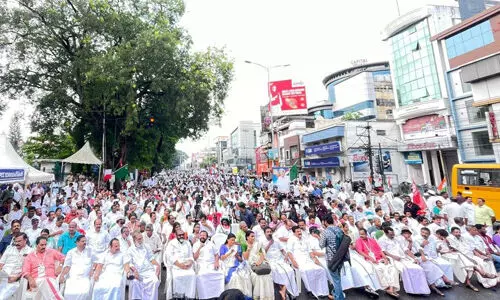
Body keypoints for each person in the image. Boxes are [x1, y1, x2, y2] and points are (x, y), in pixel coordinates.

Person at [378, 227, 431, 295]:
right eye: (390, 234)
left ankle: (421, 290)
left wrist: (414, 258)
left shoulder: (396, 239)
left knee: (418, 268)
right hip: (392, 258)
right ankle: (411, 290)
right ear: (386, 233)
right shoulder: (382, 239)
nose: (392, 235)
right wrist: (393, 256)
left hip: (403, 257)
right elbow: (383, 251)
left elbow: (405, 249)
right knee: (404, 270)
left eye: (393, 233)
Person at [355, 228, 400, 298]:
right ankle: (388, 288)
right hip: (369, 260)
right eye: (360, 234)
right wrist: (371, 258)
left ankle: (391, 288)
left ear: (366, 234)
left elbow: (380, 250)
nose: (361, 236)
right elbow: (360, 252)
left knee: (392, 269)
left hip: (379, 259)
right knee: (380, 269)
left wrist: (385, 258)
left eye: (363, 234)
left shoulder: (372, 240)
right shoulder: (358, 241)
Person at [287, 226, 329, 298]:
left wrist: (314, 259)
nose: (299, 233)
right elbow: (289, 252)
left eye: (300, 231)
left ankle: (322, 291)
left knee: (320, 270)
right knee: (306, 271)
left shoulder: (305, 239)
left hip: (308, 259)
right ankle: (310, 290)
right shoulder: (291, 240)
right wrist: (293, 261)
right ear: (294, 233)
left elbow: (310, 251)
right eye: (297, 231)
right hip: (298, 260)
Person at [261, 226, 299, 298]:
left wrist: (286, 256)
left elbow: (282, 249)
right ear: (264, 233)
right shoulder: (261, 241)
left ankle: (284, 290)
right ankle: (283, 289)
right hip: (270, 260)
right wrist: (269, 244)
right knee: (278, 272)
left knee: (290, 271)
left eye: (270, 232)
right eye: (267, 232)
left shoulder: (276, 240)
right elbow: (263, 253)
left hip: (280, 259)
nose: (269, 233)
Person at [59, 235, 96, 300]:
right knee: (68, 293)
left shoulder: (90, 250)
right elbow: (67, 266)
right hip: (73, 278)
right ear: (77, 242)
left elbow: (96, 262)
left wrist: (92, 270)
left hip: (85, 277)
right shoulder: (71, 252)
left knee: (85, 293)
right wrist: (62, 275)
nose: (85, 242)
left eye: (85, 241)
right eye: (82, 241)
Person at [319, 214, 346, 300]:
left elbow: (321, 245)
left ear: (326, 222)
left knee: (336, 279)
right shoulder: (339, 230)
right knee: (338, 277)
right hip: (340, 257)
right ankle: (337, 294)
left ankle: (339, 298)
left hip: (331, 258)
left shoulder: (325, 232)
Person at [127, 231, 161, 300]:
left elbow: (152, 259)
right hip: (137, 271)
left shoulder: (146, 246)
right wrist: (134, 270)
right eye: (139, 239)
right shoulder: (130, 250)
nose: (141, 240)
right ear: (134, 240)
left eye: (141, 238)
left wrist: (158, 265)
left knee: (154, 281)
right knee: (135, 282)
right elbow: (130, 263)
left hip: (148, 270)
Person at [165, 229, 196, 299]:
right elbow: (169, 256)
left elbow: (191, 255)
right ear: (176, 235)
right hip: (176, 265)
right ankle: (178, 296)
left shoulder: (187, 243)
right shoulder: (171, 243)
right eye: (179, 235)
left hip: (187, 265)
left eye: (183, 235)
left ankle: (189, 296)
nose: (181, 236)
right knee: (177, 277)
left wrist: (190, 263)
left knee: (192, 275)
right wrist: (180, 265)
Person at [193, 230, 225, 299]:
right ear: (199, 236)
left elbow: (216, 255)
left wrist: (216, 262)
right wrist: (200, 247)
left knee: (219, 274)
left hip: (211, 263)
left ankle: (217, 295)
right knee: (202, 275)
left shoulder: (211, 244)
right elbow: (194, 258)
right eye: (201, 235)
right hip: (201, 264)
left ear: (207, 237)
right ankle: (204, 296)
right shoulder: (196, 244)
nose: (202, 237)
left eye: (204, 235)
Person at [0, 233, 32, 300]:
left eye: (19, 241)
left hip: (17, 277)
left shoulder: (30, 251)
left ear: (25, 240)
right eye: (15, 241)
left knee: (3, 296)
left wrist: (17, 277)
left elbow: (28, 269)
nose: (16, 243)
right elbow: (1, 264)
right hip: (4, 275)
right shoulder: (9, 249)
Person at [243, 230, 274, 300]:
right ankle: (258, 296)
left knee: (267, 274)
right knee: (256, 276)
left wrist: (259, 262)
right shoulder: (244, 244)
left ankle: (267, 297)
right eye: (252, 236)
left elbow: (262, 254)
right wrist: (249, 249)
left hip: (259, 262)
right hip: (249, 263)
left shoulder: (258, 244)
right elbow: (245, 258)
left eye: (254, 236)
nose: (254, 238)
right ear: (247, 237)